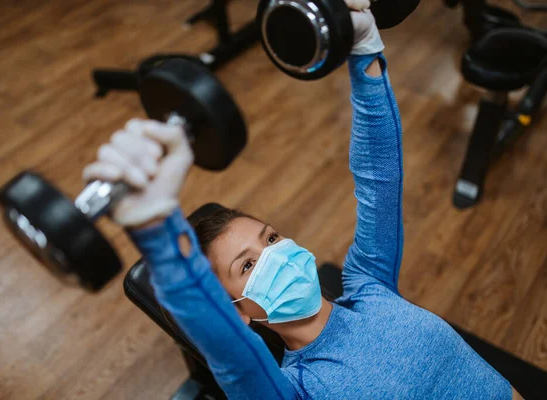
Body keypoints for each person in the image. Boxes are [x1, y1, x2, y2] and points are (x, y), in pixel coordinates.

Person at [83, 1, 522, 398]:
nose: (275, 255)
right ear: (237, 313)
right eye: (248, 265)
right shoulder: (295, 390)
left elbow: (379, 179)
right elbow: (232, 359)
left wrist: (364, 51)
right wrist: (156, 229)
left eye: (270, 238)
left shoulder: (370, 286)